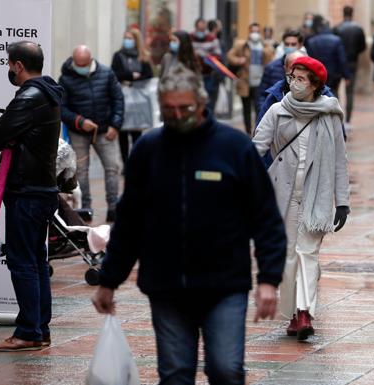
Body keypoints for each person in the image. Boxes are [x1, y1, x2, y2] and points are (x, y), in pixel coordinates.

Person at [91, 63, 287, 385]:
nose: (178, 115)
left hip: (224, 284)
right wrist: (109, 280)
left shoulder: (234, 148)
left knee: (226, 369)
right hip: (166, 285)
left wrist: (269, 279)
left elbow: (265, 217)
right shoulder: (148, 150)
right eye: (169, 109)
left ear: (202, 104)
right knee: (175, 374)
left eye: (185, 108)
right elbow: (129, 222)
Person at [253, 56, 350, 340]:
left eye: (301, 79)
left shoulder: (330, 114)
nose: (294, 83)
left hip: (315, 193)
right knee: (288, 255)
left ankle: (305, 311)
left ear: (315, 85)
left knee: (307, 252)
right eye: (292, 77)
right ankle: (294, 313)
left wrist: (342, 200)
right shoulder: (276, 111)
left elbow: (339, 159)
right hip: (281, 192)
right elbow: (256, 150)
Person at [0, 41, 63, 351]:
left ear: (18, 65)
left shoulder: (29, 98)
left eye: (9, 63)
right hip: (41, 190)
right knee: (36, 261)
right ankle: (38, 328)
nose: (8, 69)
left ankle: (29, 330)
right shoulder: (49, 94)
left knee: (23, 262)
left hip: (27, 192)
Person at [58, 44, 124, 222]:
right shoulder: (65, 79)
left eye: (84, 64)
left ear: (90, 60)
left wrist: (115, 125)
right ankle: (86, 208)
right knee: (81, 171)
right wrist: (79, 121)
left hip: (105, 130)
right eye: (78, 64)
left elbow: (118, 99)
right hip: (79, 131)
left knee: (112, 168)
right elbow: (61, 108)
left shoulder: (106, 73)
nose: (81, 67)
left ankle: (113, 207)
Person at [256, 50, 338, 129]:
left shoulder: (328, 100)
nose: (299, 70)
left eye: (304, 67)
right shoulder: (275, 98)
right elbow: (261, 132)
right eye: (294, 67)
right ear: (286, 69)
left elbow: (338, 136)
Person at [112, 28, 154, 165]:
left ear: (136, 40)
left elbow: (148, 74)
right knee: (123, 132)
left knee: (137, 132)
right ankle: (125, 163)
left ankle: (136, 162)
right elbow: (115, 74)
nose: (127, 41)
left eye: (130, 38)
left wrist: (134, 78)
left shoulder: (143, 56)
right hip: (122, 96)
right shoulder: (118, 55)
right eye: (126, 38)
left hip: (138, 98)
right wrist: (131, 75)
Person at [227, 22, 274, 135]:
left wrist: (265, 48)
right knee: (246, 108)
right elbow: (230, 56)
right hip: (245, 81)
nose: (255, 34)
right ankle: (248, 131)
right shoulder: (242, 44)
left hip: (260, 81)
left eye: (257, 31)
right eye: (253, 31)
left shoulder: (265, 46)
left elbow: (271, 58)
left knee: (259, 107)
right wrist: (239, 60)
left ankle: (258, 130)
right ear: (249, 32)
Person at [333, 5, 366, 123]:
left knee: (335, 89)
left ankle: (336, 116)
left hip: (337, 63)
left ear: (343, 13)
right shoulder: (358, 28)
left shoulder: (337, 28)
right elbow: (363, 46)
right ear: (352, 14)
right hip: (352, 62)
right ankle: (348, 120)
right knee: (350, 92)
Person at [304, 15, 350, 99]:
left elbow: (309, 60)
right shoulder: (337, 40)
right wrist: (346, 76)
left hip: (317, 74)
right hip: (334, 75)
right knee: (334, 94)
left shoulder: (311, 41)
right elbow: (342, 60)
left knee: (317, 96)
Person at [257, 29, 304, 109]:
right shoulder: (271, 67)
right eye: (287, 44)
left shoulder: (309, 68)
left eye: (293, 44)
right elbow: (262, 95)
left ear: (300, 45)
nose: (290, 47)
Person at [191, 18, 223, 113]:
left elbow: (218, 56)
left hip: (208, 75)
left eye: (203, 29)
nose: (201, 32)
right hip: (194, 76)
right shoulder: (190, 38)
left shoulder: (212, 39)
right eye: (199, 29)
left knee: (208, 101)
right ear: (196, 27)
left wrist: (205, 56)